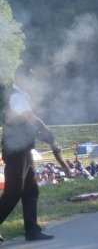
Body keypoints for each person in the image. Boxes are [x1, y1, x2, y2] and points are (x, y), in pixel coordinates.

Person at [0, 64, 71, 242]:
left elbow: (27, 126)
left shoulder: (22, 97)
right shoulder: (16, 98)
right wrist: (46, 131)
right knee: (12, 193)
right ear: (21, 79)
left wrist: (44, 136)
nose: (33, 83)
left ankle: (32, 231)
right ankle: (31, 230)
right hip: (16, 150)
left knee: (31, 190)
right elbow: (30, 119)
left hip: (23, 149)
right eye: (30, 79)